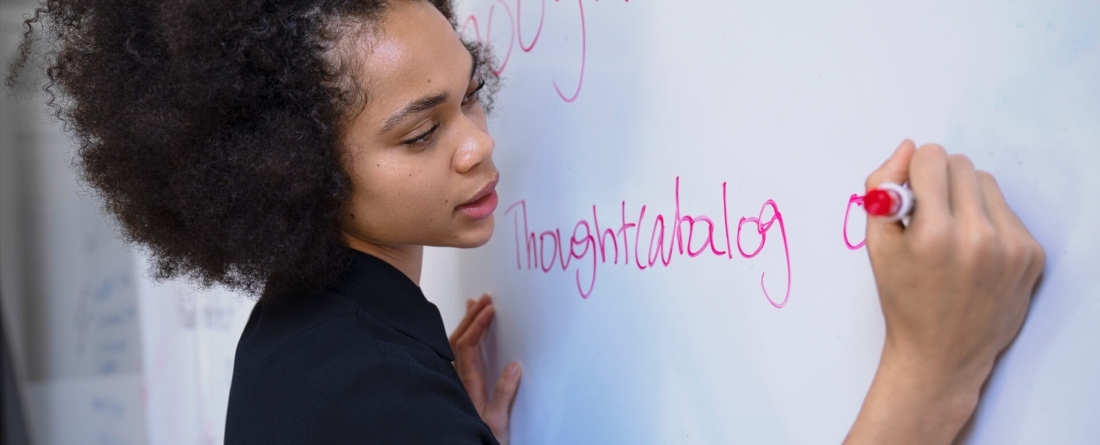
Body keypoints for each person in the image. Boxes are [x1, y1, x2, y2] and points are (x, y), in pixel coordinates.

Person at [8, 0, 1044, 443]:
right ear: (284, 174)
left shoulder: (320, 335)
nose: (477, 147)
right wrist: (929, 367)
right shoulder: (360, 385)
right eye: (418, 134)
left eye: (469, 96)